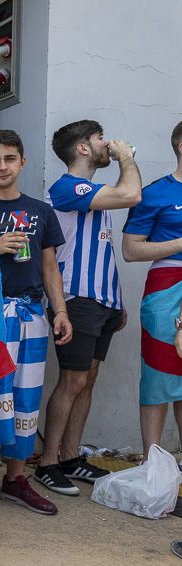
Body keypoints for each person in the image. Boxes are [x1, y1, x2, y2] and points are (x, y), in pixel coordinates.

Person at [0, 130, 73, 515]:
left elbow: (50, 266)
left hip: (29, 315)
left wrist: (60, 311)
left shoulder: (41, 211)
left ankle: (15, 478)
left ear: (22, 162)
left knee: (25, 398)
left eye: (9, 158)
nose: (2, 166)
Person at [37, 120, 141, 496]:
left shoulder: (95, 191)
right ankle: (48, 462)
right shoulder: (68, 187)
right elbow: (132, 194)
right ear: (82, 148)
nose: (106, 144)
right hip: (76, 298)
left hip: (102, 301)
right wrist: (126, 157)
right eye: (99, 139)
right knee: (73, 380)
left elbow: (100, 248)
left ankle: (70, 456)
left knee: (89, 379)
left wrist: (116, 300)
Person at [122, 120, 182, 458]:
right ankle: (154, 468)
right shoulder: (156, 192)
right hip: (166, 287)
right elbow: (131, 250)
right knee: (159, 379)